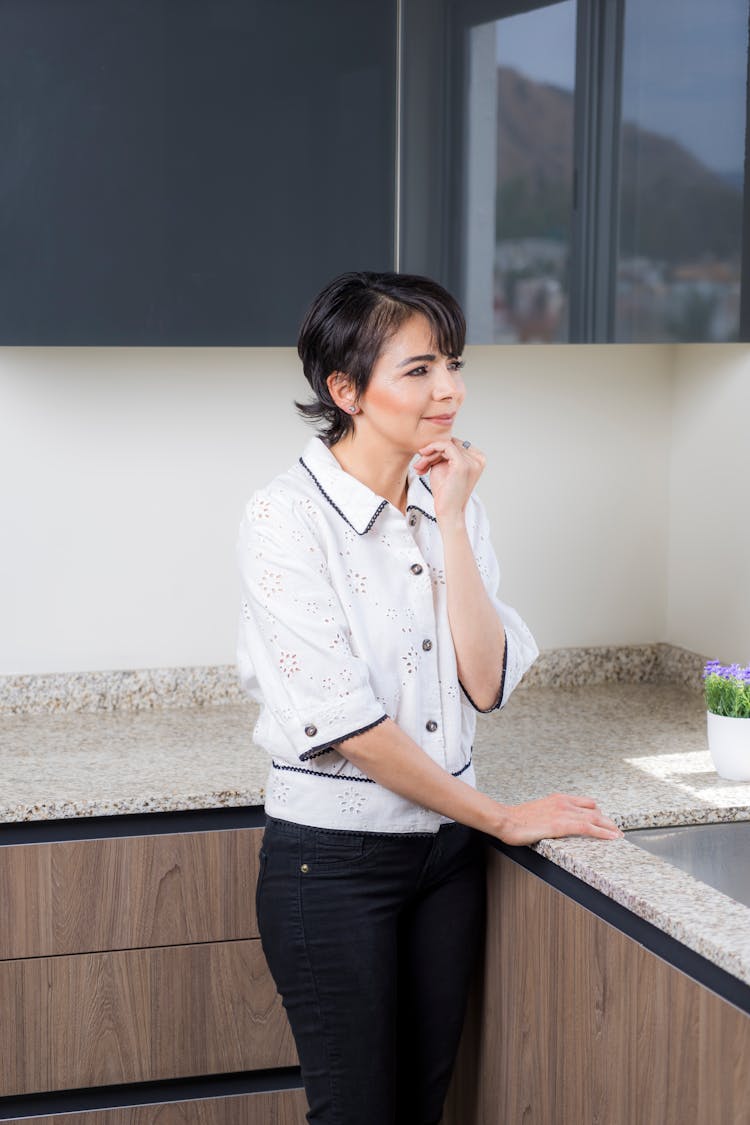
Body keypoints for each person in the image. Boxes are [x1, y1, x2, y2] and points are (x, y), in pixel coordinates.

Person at [236, 271, 621, 1125]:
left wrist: (450, 518)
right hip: (333, 864)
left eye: (451, 363)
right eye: (418, 370)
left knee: (422, 1108)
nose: (449, 389)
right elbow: (355, 731)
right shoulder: (284, 518)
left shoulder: (449, 498)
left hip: (444, 859)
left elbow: (482, 681)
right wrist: (502, 815)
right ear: (346, 389)